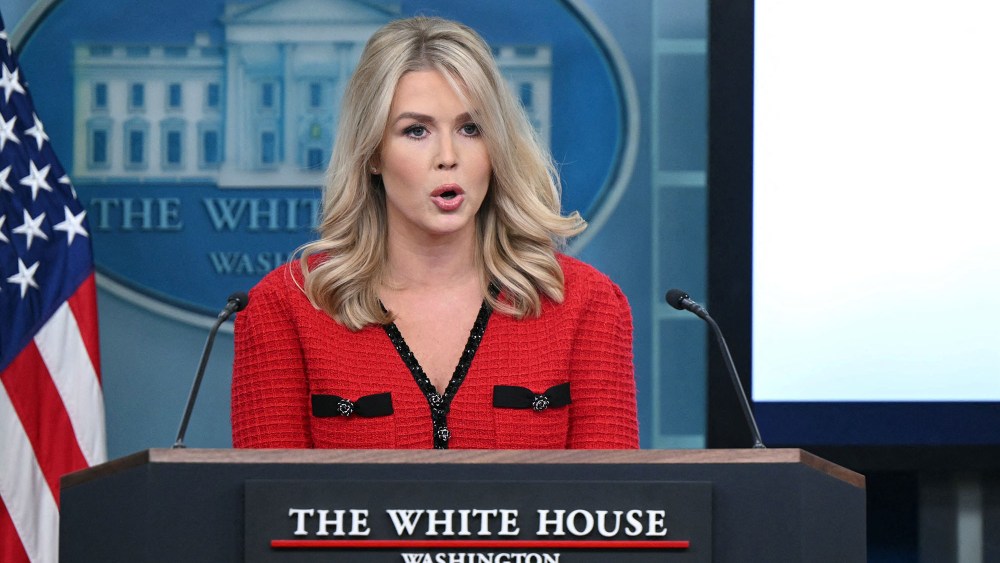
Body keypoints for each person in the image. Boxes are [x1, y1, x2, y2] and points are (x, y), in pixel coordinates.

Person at [231, 16, 638, 449]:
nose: (448, 156)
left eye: (471, 129)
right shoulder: (284, 307)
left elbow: (609, 508)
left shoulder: (584, 303)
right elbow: (268, 511)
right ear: (372, 154)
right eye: (416, 131)